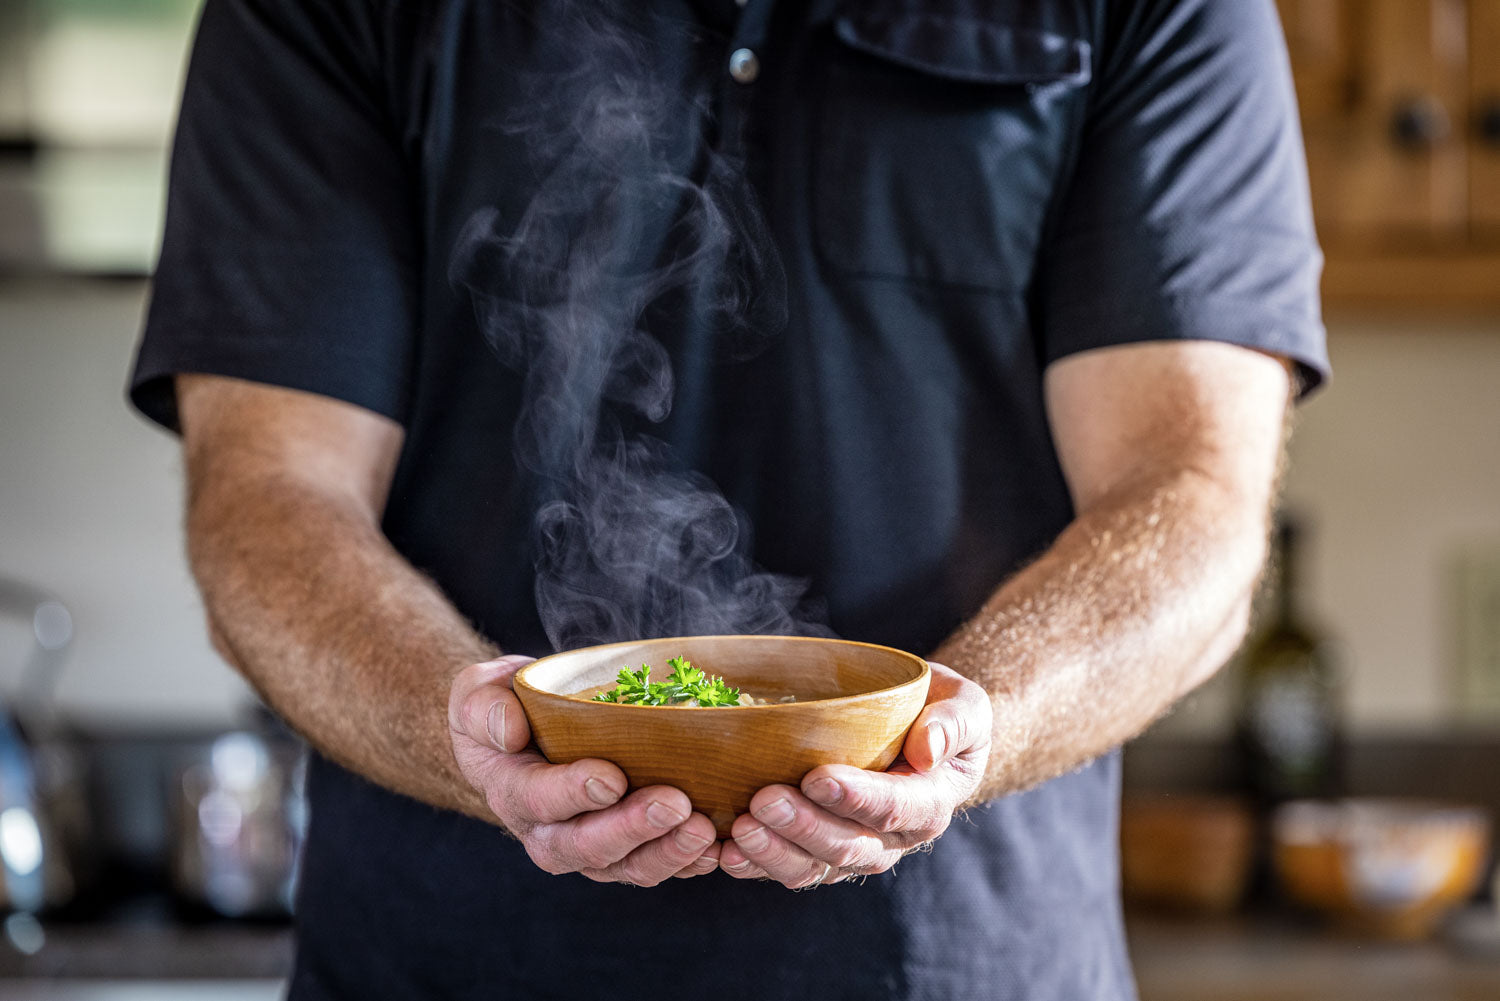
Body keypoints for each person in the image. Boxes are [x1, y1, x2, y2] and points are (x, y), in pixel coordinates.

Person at [129, 0, 1328, 998]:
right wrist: (475, 734)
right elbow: (268, 494)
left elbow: (1190, 494)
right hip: (443, 960)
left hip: (961, 961)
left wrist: (971, 730)